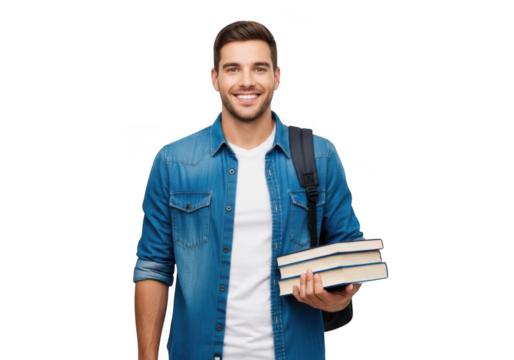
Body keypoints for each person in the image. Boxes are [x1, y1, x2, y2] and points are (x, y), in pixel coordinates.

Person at [132, 20, 365, 360]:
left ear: (277, 77)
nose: (246, 81)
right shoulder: (174, 161)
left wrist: (337, 298)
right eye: (232, 69)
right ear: (214, 78)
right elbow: (153, 266)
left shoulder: (320, 155)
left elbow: (351, 249)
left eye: (259, 68)